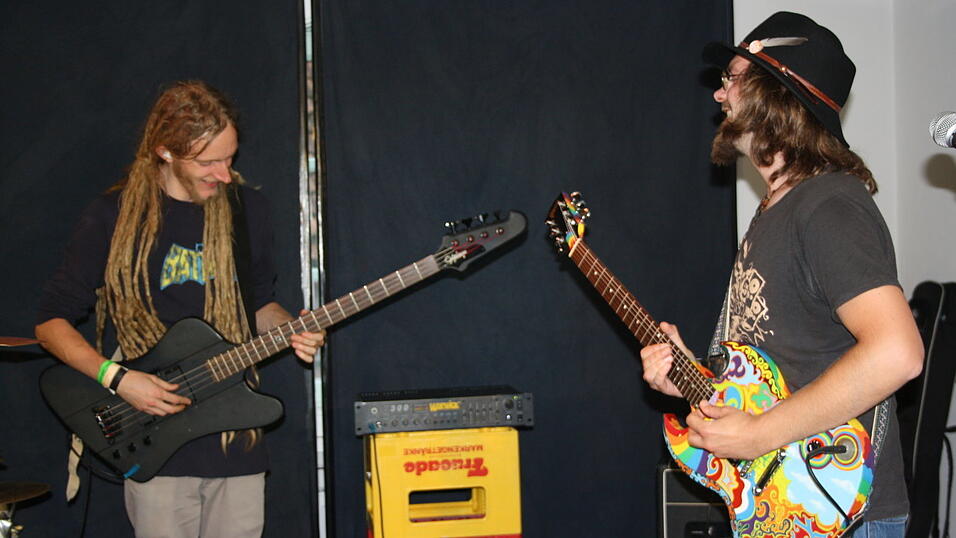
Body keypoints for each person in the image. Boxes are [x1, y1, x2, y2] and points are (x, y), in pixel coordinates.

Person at [639, 12, 924, 537]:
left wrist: (758, 435)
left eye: (732, 79)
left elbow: (898, 353)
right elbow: (779, 376)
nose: (719, 95)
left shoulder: (829, 206)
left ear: (777, 94)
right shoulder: (777, 210)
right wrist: (692, 376)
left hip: (842, 514)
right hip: (784, 506)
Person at [35, 80, 324, 537]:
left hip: (236, 436)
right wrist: (118, 379)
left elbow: (259, 305)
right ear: (165, 151)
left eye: (230, 158)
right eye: (208, 162)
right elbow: (51, 324)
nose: (224, 174)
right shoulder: (113, 216)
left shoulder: (248, 210)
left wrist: (293, 329)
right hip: (152, 437)